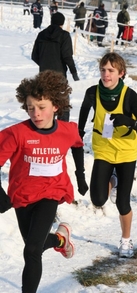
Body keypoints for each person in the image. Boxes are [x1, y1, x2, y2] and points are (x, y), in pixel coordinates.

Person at [0, 70, 88, 293]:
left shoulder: (68, 130)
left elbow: (77, 145)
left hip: (51, 193)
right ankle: (60, 240)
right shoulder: (16, 133)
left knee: (31, 251)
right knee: (34, 245)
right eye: (31, 108)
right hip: (22, 196)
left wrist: (80, 175)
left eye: (41, 107)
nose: (36, 114)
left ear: (55, 106)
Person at [77, 52, 137, 258]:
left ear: (121, 73)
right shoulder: (92, 93)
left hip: (126, 152)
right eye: (103, 70)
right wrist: (77, 136)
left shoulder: (129, 96)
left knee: (122, 203)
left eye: (111, 70)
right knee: (98, 199)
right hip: (103, 149)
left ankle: (126, 241)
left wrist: (129, 121)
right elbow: (81, 121)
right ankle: (113, 179)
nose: (106, 74)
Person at [31, 12, 79, 121]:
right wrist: (74, 73)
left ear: (51, 21)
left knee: (46, 104)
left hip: (43, 76)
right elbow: (67, 57)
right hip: (59, 76)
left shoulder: (41, 34)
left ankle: (46, 129)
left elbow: (34, 55)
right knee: (63, 106)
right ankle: (63, 130)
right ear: (62, 23)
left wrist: (44, 64)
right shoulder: (64, 36)